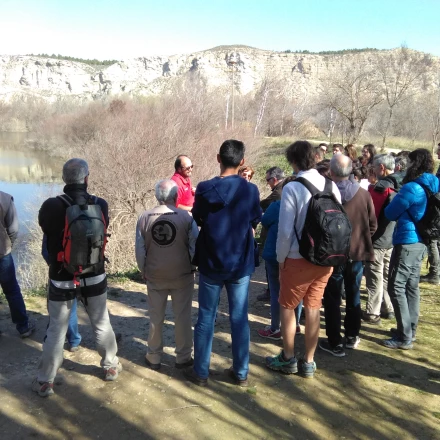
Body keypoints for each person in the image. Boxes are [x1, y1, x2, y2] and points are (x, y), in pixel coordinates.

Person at [33, 158, 121, 397]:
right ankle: (110, 367)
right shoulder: (99, 204)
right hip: (94, 274)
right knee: (101, 322)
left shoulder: (51, 206)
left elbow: (47, 232)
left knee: (56, 330)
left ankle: (46, 381)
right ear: (86, 178)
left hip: (62, 277)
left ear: (64, 179)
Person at [184, 139, 261, 387]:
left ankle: (201, 372)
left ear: (218, 158)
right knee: (239, 317)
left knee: (206, 316)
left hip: (211, 261)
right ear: (242, 162)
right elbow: (254, 220)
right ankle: (240, 373)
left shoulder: (205, 188)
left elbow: (197, 217)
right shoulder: (250, 190)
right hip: (240, 262)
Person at [265, 140, 341, 378]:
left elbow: (285, 230)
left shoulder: (293, 187)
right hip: (326, 258)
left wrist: (280, 260)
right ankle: (308, 362)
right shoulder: (331, 184)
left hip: (298, 258)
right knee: (313, 308)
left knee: (287, 308)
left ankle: (288, 358)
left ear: (293, 161)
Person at [135, 179, 199, 370]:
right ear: (176, 196)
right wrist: (193, 267)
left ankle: (154, 356)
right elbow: (194, 245)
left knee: (156, 316)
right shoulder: (187, 217)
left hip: (155, 275)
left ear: (157, 196)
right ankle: (183, 357)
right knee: (182, 316)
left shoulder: (145, 217)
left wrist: (143, 270)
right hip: (182, 274)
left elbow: (139, 250)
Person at [319, 154, 376, 357]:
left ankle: (335, 342)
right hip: (357, 253)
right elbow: (373, 225)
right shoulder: (363, 194)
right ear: (351, 170)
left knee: (333, 297)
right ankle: (352, 336)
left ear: (331, 172)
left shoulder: (326, 195)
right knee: (353, 295)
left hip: (333, 254)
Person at [383, 149, 439, 349]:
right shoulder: (434, 182)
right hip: (422, 240)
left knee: (396, 286)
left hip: (408, 240)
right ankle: (409, 329)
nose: (405, 165)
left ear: (415, 163)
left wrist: (392, 199)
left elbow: (390, 213)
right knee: (411, 286)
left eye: (408, 161)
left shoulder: (412, 188)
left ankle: (404, 336)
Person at [256, 176, 303, 340]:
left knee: (276, 291)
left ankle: (276, 327)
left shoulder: (277, 206)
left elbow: (265, 221)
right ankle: (295, 324)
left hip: (274, 254)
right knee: (297, 291)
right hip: (297, 255)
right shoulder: (305, 207)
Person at [363, 154, 397, 324]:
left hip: (377, 240)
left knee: (374, 277)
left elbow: (372, 216)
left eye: (375, 168)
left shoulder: (380, 189)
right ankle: (387, 307)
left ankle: (372, 312)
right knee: (385, 275)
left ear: (382, 167)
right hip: (391, 238)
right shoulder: (399, 184)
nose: (374, 171)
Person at [0, 191, 35, 338]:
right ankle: (23, 327)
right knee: (12, 290)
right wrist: (9, 244)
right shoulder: (5, 198)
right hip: (2, 252)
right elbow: (13, 229)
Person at [42, 234, 81, 351]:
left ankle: (52, 341)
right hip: (76, 273)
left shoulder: (52, 220)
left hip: (58, 274)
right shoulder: (78, 218)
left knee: (55, 309)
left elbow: (45, 252)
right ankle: (74, 341)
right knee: (71, 307)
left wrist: (52, 264)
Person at [258, 166, 285, 302]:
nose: (267, 183)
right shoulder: (283, 188)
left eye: (268, 180)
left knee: (272, 271)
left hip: (274, 237)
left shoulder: (278, 193)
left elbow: (262, 206)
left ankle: (271, 292)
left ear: (274, 179)